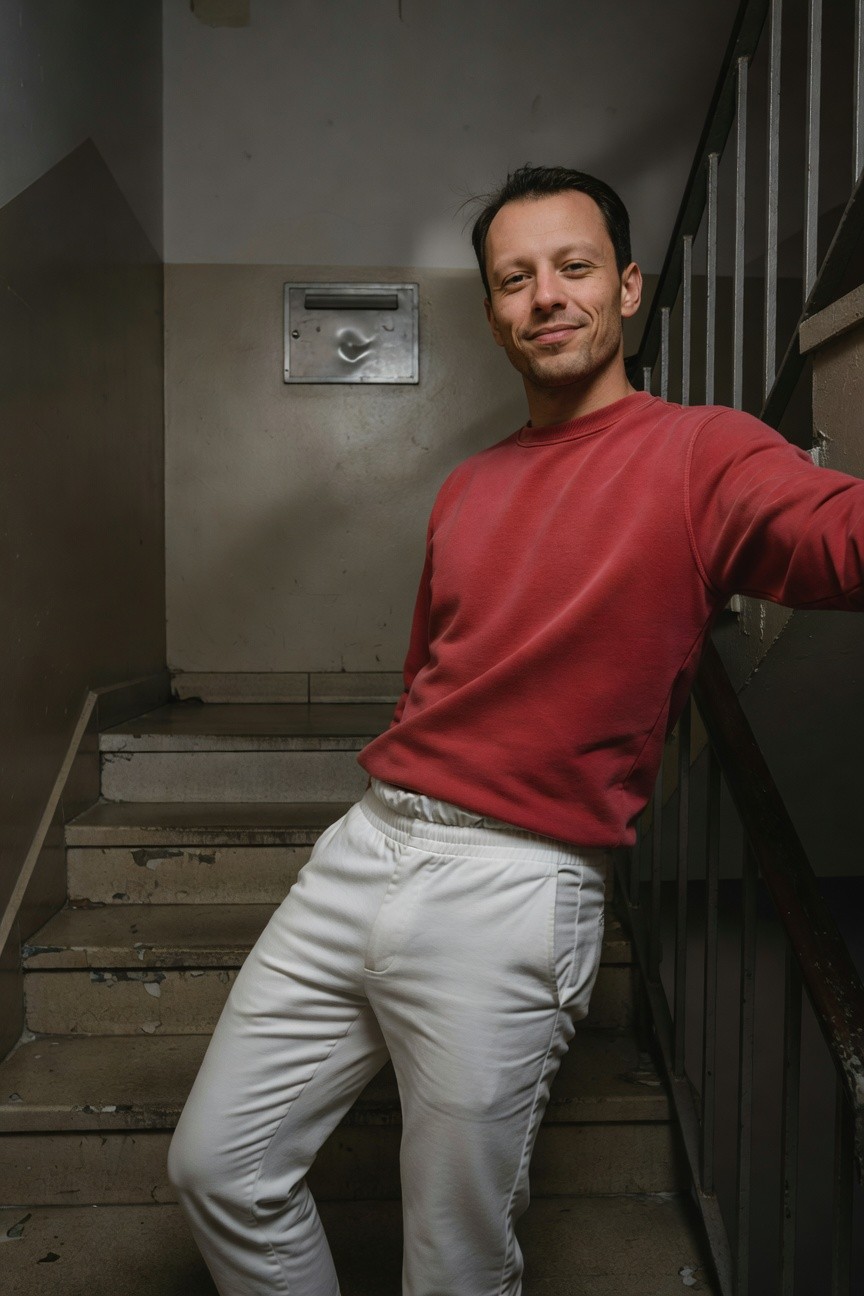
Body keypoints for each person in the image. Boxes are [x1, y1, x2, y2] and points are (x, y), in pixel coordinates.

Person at [167, 165, 864, 1296]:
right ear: (493, 310)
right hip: (367, 847)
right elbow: (432, 682)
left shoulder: (704, 452)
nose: (546, 295)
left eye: (574, 268)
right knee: (218, 1166)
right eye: (515, 277)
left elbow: (837, 538)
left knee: (453, 1263)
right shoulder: (468, 487)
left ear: (628, 289)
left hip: (512, 888)